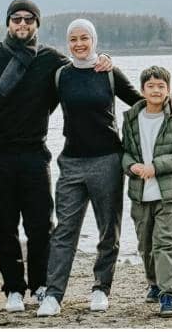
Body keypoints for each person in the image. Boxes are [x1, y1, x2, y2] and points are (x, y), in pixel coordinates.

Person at [36, 19, 144, 317]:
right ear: (67, 43)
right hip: (70, 162)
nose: (79, 44)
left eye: (85, 38)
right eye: (73, 39)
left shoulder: (108, 72)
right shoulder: (61, 75)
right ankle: (53, 295)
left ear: (94, 40)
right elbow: (34, 109)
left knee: (108, 229)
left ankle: (100, 288)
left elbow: (141, 102)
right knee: (64, 231)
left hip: (107, 160)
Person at [121, 66, 172, 318]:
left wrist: (156, 167)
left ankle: (169, 296)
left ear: (169, 90)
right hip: (140, 194)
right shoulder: (131, 118)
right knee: (146, 246)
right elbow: (125, 152)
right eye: (151, 86)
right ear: (142, 90)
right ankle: (154, 284)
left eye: (161, 86)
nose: (156, 90)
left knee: (167, 245)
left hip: (169, 194)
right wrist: (131, 166)